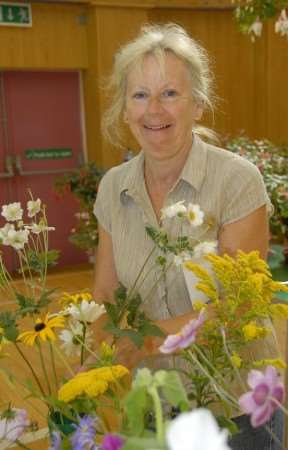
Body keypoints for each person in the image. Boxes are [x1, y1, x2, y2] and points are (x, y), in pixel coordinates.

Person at [92, 24, 283, 449]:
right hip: (155, 399)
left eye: (169, 94)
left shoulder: (236, 181)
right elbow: (106, 291)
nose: (153, 110)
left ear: (198, 105)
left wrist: (141, 341)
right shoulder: (112, 186)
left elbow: (237, 307)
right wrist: (103, 346)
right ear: (125, 109)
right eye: (140, 95)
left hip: (234, 405)